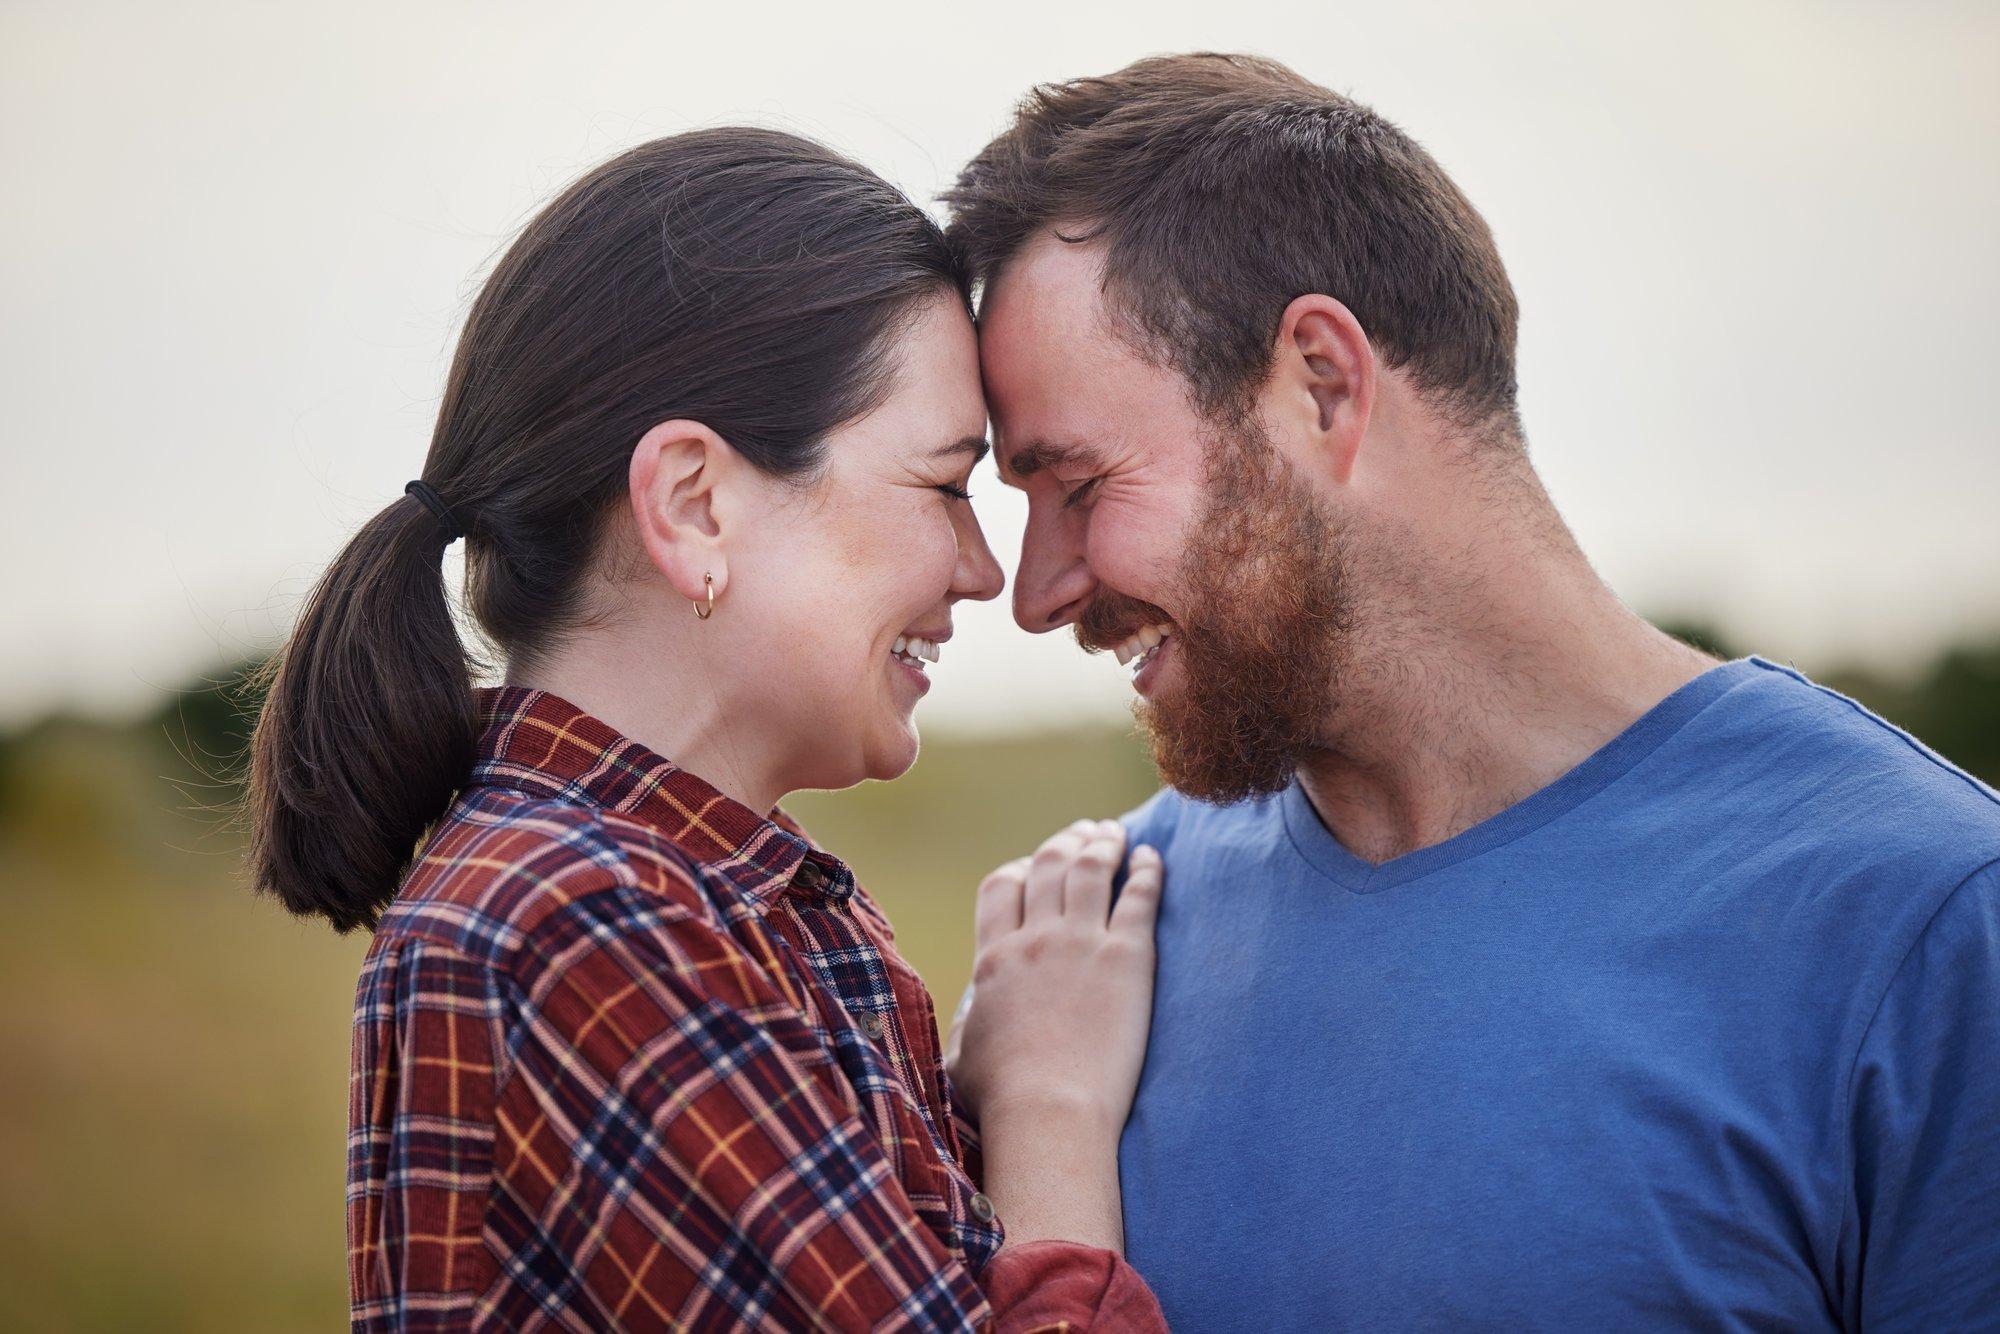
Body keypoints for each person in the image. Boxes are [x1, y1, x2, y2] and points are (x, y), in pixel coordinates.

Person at [945, 53, 2000, 1331]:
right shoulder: (1090, 957)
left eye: (1078, 484)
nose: (1036, 592)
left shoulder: (1927, 928)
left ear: (1320, 384)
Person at [244, 128, 1168, 1331]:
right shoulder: (579, 923)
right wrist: (1048, 1100)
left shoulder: (687, 895)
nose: (983, 568)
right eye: (943, 486)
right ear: (694, 505)